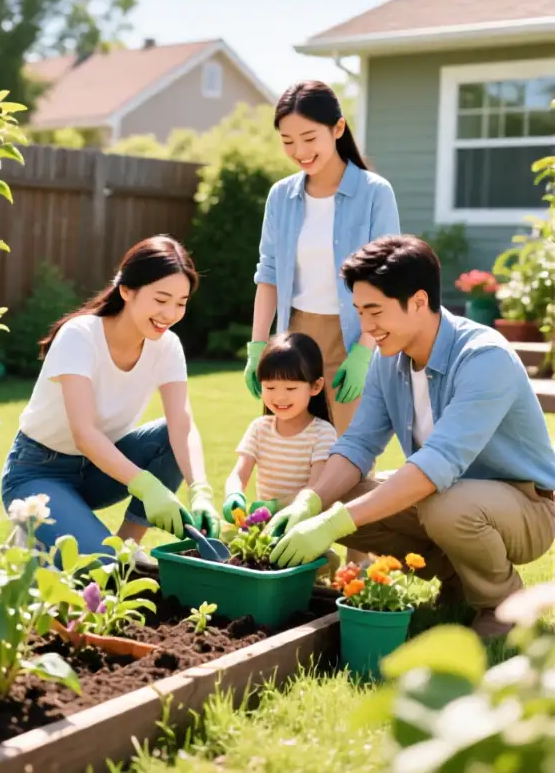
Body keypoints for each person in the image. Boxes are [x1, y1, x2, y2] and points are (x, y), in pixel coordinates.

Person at [266, 235, 555, 639]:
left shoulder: (485, 358)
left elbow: (437, 464)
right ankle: (459, 579)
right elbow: (358, 444)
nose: (366, 328)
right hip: (449, 494)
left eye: (375, 312)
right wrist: (312, 501)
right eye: (359, 312)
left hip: (527, 506)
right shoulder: (392, 359)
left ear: (419, 302)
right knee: (343, 495)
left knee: (444, 506)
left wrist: (334, 522)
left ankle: (501, 605)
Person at [1, 236, 221, 562]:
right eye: (161, 299)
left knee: (169, 437)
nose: (170, 313)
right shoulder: (80, 336)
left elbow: (181, 426)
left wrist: (200, 489)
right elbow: (84, 433)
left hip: (98, 471)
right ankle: (35, 531)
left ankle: (129, 545)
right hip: (37, 472)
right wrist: (147, 487)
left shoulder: (167, 346)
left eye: (181, 302)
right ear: (127, 290)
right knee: (100, 567)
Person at [245, 80, 400, 437]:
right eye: (287, 141)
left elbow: (386, 280)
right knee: (287, 453)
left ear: (338, 128)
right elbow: (268, 275)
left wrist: (364, 351)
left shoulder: (375, 194)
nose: (299, 150)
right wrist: (257, 348)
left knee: (347, 458)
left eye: (309, 138)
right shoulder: (280, 196)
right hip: (292, 340)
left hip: (352, 338)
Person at [223, 332, 337, 520]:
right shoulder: (260, 428)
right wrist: (234, 494)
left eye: (291, 388)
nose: (280, 397)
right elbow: (239, 474)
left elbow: (315, 489)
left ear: (315, 386)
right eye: (270, 387)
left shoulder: (322, 433)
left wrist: (276, 506)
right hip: (265, 527)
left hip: (302, 528)